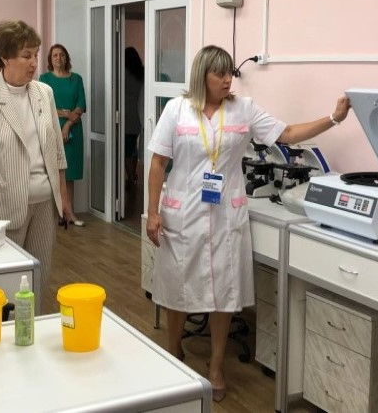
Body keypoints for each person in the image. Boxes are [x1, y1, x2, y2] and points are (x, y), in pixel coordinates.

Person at [146, 45, 351, 402]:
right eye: (220, 73)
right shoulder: (176, 109)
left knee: (224, 291)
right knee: (177, 284)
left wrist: (333, 119)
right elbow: (158, 163)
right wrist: (152, 211)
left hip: (226, 213)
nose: (228, 80)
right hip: (183, 211)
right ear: (202, 76)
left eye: (230, 73)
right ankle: (174, 351)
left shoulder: (244, 109)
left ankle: (215, 366)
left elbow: (287, 134)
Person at [0, 21, 70, 288]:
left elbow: (56, 149)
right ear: (5, 57)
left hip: (44, 205)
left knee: (38, 280)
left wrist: (63, 196)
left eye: (36, 54)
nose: (34, 62)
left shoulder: (44, 93)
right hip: (3, 208)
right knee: (6, 286)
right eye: (26, 56)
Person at [40, 44, 86, 227]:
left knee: (70, 173)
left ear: (66, 58)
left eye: (61, 55)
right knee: (53, 171)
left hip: (73, 129)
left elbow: (81, 105)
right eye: (55, 55)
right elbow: (43, 105)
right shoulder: (44, 79)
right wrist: (65, 114)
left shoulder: (76, 79)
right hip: (52, 127)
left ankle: (69, 213)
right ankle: (56, 213)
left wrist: (67, 125)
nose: (58, 58)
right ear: (50, 60)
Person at [124, 47, 144, 189]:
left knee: (126, 148)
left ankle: (130, 176)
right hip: (137, 113)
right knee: (133, 147)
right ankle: (134, 174)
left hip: (125, 113)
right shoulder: (142, 73)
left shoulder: (122, 72)